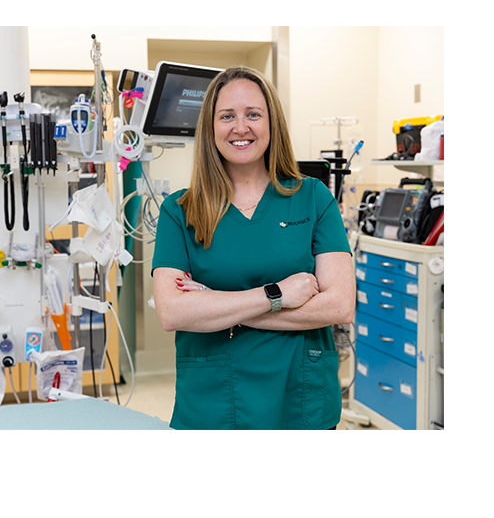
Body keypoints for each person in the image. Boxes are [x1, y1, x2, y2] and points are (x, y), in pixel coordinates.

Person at [151, 66, 355, 430]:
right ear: (210, 127)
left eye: (253, 115)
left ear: (271, 123)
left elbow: (339, 305)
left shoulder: (313, 198)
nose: (240, 127)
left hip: (300, 398)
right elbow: (172, 312)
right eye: (226, 116)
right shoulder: (180, 211)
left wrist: (217, 305)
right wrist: (278, 294)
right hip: (213, 403)